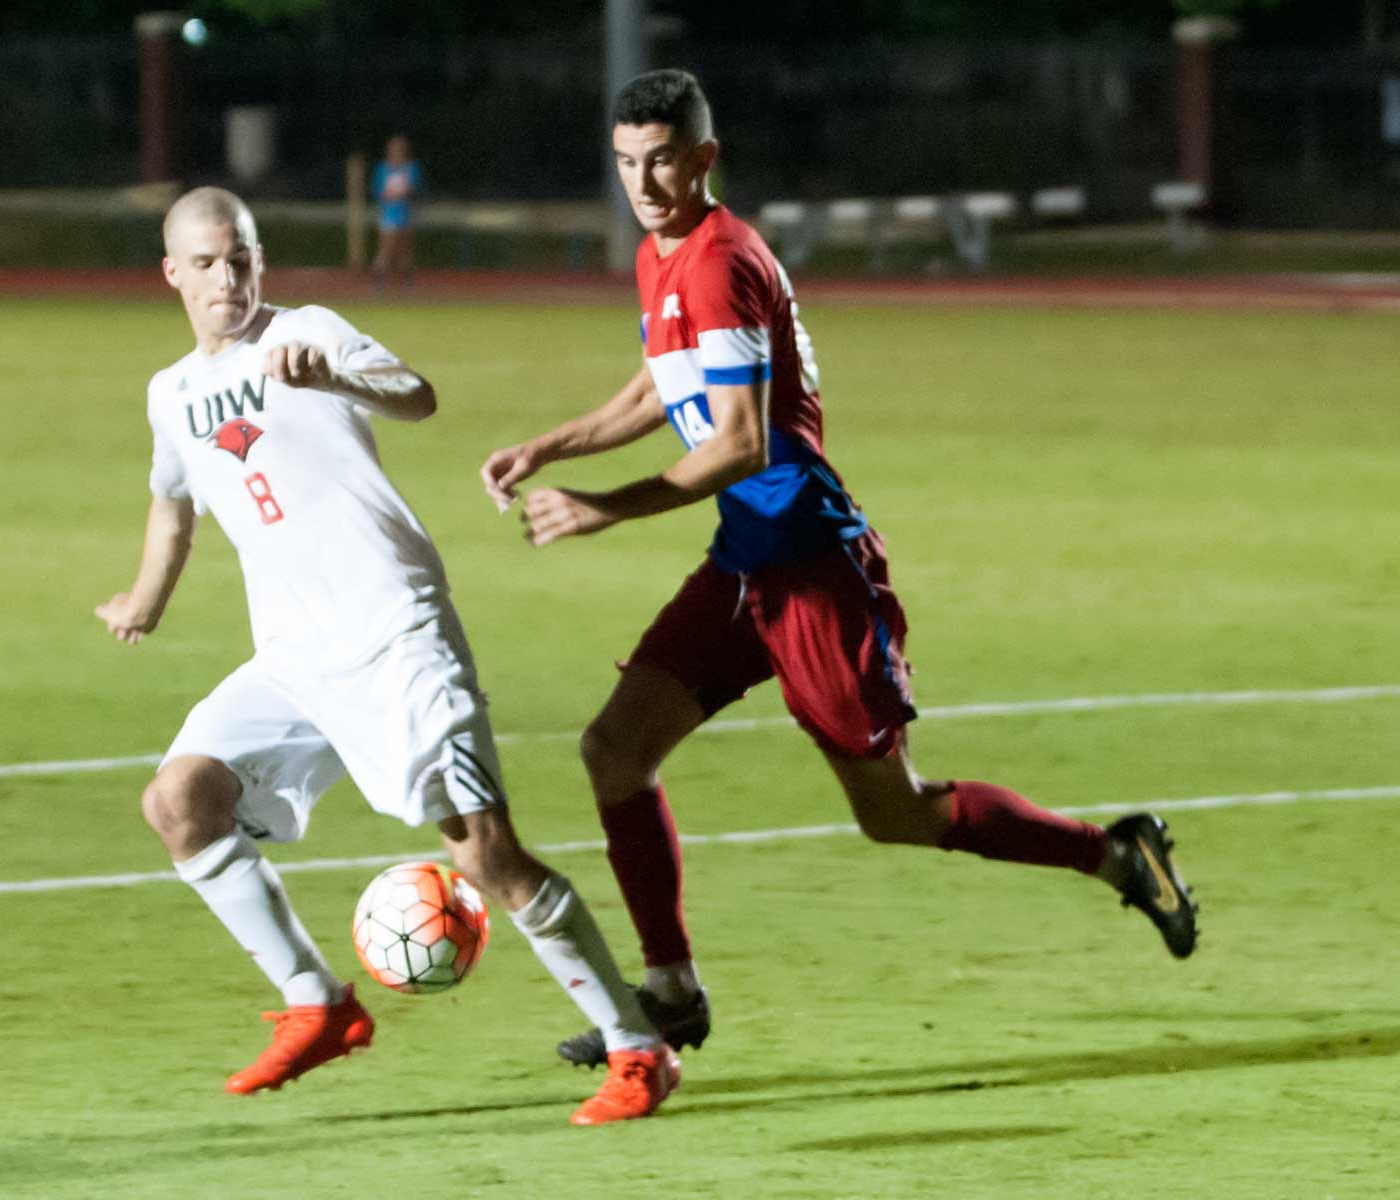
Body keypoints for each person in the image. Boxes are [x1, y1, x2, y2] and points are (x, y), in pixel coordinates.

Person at [476, 70, 1200, 1069]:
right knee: (614, 750)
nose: (641, 182)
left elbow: (740, 443)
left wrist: (607, 506)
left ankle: (1113, 853)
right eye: (626, 162)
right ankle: (671, 991)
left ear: (704, 158)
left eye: (661, 160)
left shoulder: (722, 262)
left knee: (894, 811)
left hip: (816, 569)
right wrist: (549, 445)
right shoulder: (661, 254)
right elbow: (659, 384)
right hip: (747, 561)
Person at [95, 186, 677, 1124]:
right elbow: (174, 505)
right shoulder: (172, 393)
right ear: (172, 273)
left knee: (485, 855)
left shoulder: (309, 330)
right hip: (293, 657)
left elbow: (417, 394)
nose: (227, 279)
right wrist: (142, 602)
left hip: (395, 632)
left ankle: (638, 1047)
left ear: (260, 260)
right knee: (178, 801)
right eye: (205, 264)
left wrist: (335, 377)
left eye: (241, 259)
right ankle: (318, 1005)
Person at [371, 134, 421, 289]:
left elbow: (414, 189)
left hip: (405, 214)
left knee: (404, 250)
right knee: (386, 249)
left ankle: (406, 282)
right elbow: (378, 191)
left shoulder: (411, 168)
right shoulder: (383, 169)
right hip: (388, 215)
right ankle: (378, 282)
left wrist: (405, 192)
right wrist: (389, 194)